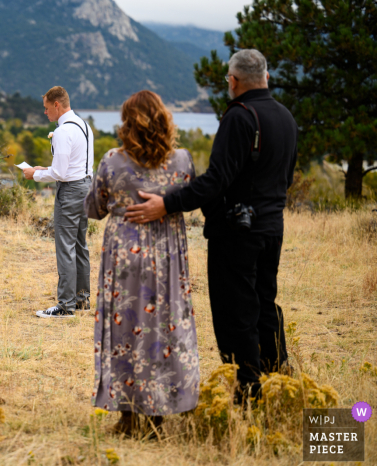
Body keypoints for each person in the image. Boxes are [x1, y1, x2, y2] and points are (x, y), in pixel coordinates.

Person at [126, 49, 298, 400]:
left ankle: (248, 393)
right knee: (265, 304)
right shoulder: (284, 117)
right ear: (265, 76)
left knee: (236, 314)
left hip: (236, 234)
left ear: (233, 81)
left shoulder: (239, 117)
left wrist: (167, 203)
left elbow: (216, 181)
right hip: (272, 229)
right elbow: (286, 178)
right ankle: (280, 382)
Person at [84, 90, 200, 437]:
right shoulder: (182, 160)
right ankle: (161, 407)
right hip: (167, 256)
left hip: (125, 258)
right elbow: (193, 197)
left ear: (126, 124)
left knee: (124, 331)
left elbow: (94, 208)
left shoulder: (112, 161)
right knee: (165, 330)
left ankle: (128, 414)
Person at [23, 86, 94, 318]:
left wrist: (35, 174)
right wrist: (47, 169)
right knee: (80, 246)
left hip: (71, 191)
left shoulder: (63, 131)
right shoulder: (84, 126)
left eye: (46, 108)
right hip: (86, 187)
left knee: (65, 248)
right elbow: (73, 164)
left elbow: (61, 173)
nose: (45, 113)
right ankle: (82, 300)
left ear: (56, 105)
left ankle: (65, 306)